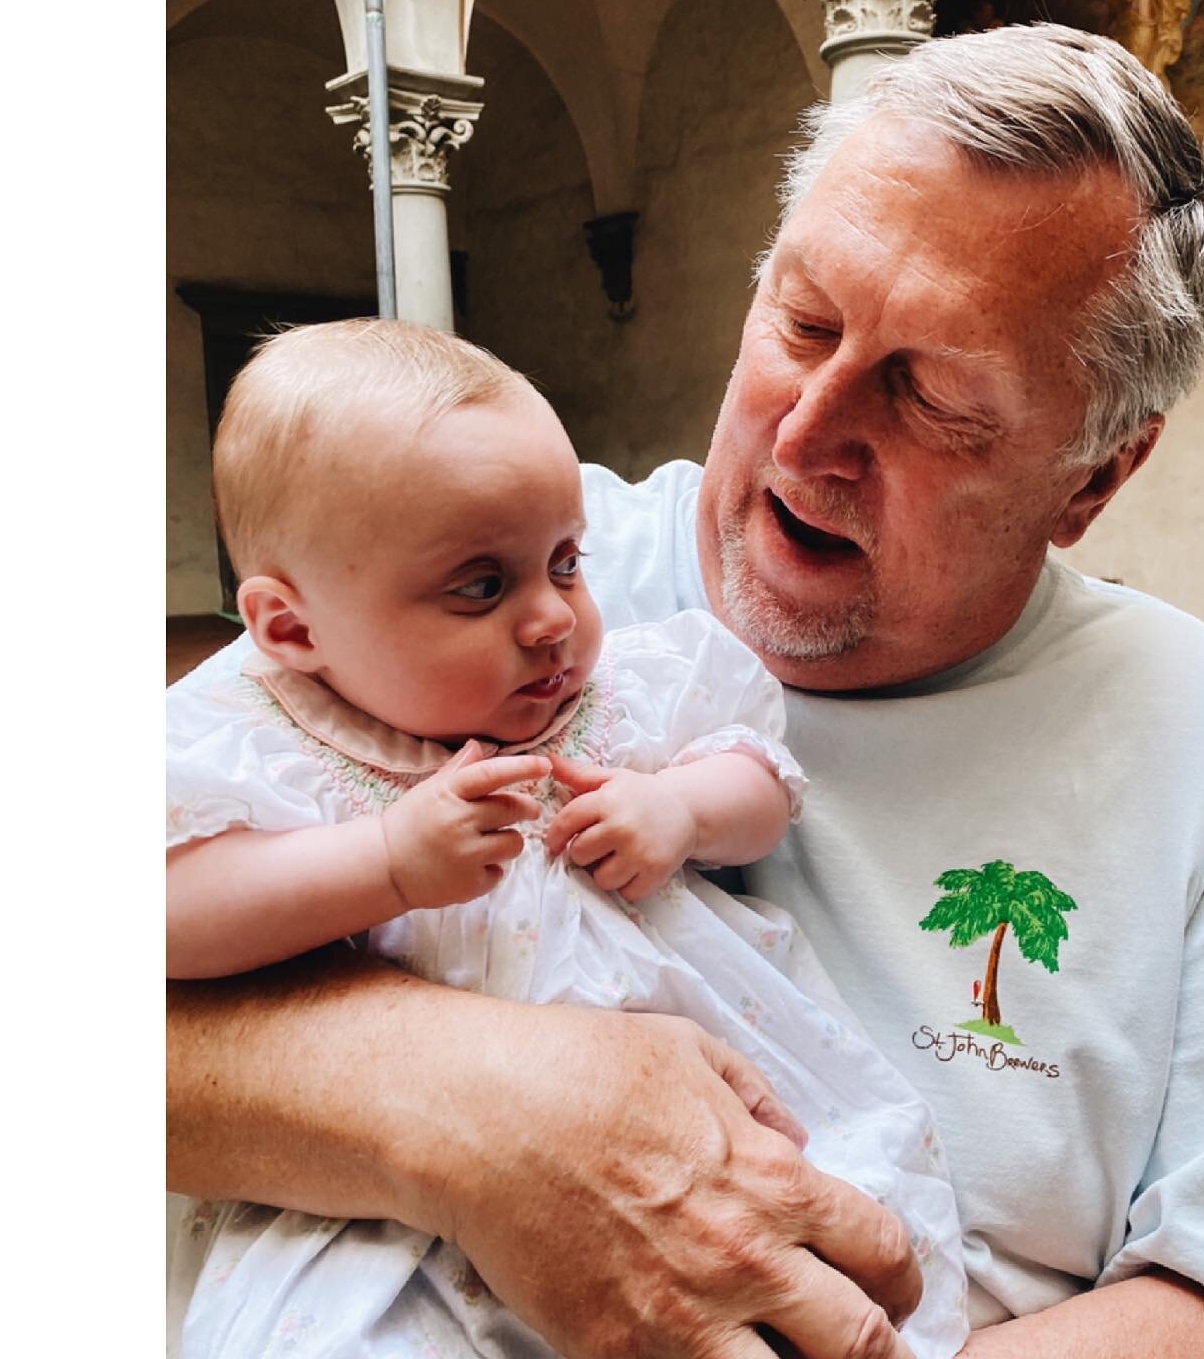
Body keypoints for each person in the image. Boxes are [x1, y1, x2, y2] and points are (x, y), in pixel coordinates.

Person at [168, 24, 1204, 1357]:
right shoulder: (434, 575)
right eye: (805, 322)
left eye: (932, 397)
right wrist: (459, 1106)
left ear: (1092, 480)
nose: (808, 433)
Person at [166, 321, 971, 1357]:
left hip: (714, 1114)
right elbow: (174, 916)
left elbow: (764, 780)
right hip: (390, 1193)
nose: (551, 619)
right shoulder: (263, 744)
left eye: (565, 563)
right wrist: (385, 864)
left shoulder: (618, 694)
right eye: (480, 586)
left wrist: (681, 811)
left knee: (827, 1222)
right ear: (290, 628)